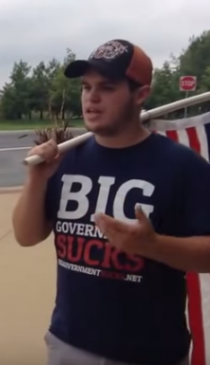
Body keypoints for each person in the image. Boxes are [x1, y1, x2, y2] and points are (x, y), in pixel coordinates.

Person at [12, 39, 210, 365]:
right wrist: (36, 181)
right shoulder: (67, 159)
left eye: (107, 87)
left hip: (151, 353)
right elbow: (26, 236)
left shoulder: (183, 166)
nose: (92, 97)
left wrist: (153, 245)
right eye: (86, 87)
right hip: (69, 344)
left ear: (140, 95)